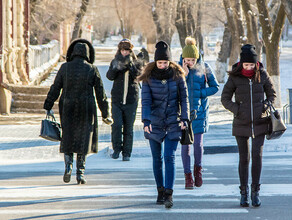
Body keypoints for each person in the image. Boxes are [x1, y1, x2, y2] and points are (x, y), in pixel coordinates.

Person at [44, 39, 111, 184]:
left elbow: (55, 87)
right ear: (87, 54)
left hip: (67, 107)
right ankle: (80, 173)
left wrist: (48, 104)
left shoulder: (64, 68)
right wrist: (106, 113)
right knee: (83, 139)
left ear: (72, 53)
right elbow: (101, 93)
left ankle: (68, 166)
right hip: (86, 108)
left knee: (68, 136)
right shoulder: (92, 69)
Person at [221, 44, 276, 207]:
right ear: (242, 63)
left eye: (252, 65)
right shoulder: (235, 77)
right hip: (241, 123)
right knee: (244, 158)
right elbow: (225, 98)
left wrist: (265, 106)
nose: (249, 68)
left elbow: (272, 94)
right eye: (246, 65)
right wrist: (238, 110)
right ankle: (243, 193)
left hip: (260, 122)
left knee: (257, 157)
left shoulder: (262, 75)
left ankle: (255, 193)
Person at [139, 41, 189, 208]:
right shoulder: (148, 77)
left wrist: (185, 118)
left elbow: (184, 98)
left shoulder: (177, 75)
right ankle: (160, 191)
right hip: (155, 122)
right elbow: (145, 101)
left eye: (165, 62)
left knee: (169, 157)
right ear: (155, 61)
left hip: (173, 121)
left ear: (169, 61)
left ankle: (169, 194)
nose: (162, 65)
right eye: (159, 62)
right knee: (157, 159)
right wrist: (146, 121)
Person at [179, 37, 219, 189]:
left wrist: (202, 93)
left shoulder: (204, 67)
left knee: (198, 144)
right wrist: (185, 74)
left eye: (193, 59)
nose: (190, 62)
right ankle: (188, 176)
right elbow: (175, 88)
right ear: (183, 58)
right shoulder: (179, 69)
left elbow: (215, 87)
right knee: (185, 145)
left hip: (200, 111)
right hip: (184, 113)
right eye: (187, 59)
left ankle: (198, 171)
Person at [106, 39, 143, 161]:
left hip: (131, 99)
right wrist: (117, 66)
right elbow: (109, 76)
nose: (125, 53)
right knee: (116, 125)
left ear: (130, 51)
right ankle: (116, 150)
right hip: (117, 99)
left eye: (127, 50)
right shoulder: (115, 61)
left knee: (129, 127)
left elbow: (139, 76)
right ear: (119, 50)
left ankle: (126, 153)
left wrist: (132, 66)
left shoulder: (136, 62)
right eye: (123, 50)